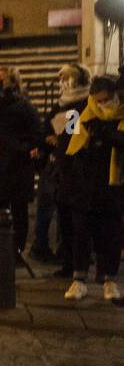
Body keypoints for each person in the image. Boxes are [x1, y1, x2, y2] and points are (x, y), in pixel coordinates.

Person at [62, 75, 123, 301]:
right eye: (97, 101)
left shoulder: (120, 117)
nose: (102, 105)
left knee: (110, 235)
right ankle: (79, 280)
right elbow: (66, 141)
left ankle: (109, 280)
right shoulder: (80, 113)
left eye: (106, 100)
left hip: (112, 188)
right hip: (83, 187)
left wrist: (107, 135)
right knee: (81, 234)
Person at [0, 66, 42, 263]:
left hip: (15, 163)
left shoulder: (22, 104)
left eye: (1, 79)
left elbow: (36, 132)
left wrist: (23, 148)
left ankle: (16, 252)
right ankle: (1, 251)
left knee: (18, 209)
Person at [44, 65, 92, 277]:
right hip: (61, 167)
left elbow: (73, 131)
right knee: (64, 218)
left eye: (64, 75)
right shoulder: (62, 101)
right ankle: (68, 262)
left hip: (77, 169)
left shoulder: (84, 103)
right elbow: (51, 124)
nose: (60, 79)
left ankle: (78, 265)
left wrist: (62, 136)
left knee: (78, 220)